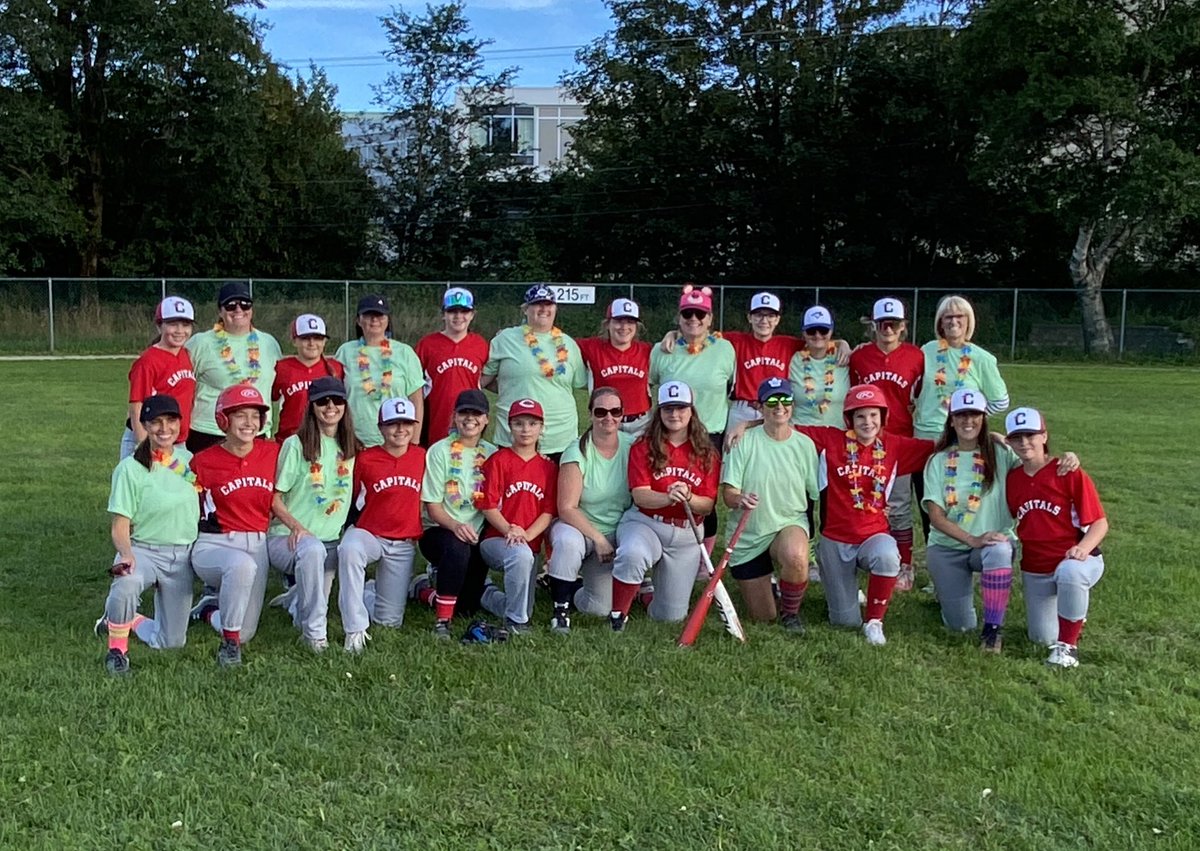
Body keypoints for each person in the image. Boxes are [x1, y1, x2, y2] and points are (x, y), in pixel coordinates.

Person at [924, 390, 1083, 653]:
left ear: (984, 418)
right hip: (947, 547)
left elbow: (1035, 462)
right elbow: (936, 516)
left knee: (999, 548)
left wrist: (1067, 457)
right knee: (960, 626)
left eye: (974, 415)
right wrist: (972, 539)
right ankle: (949, 600)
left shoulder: (1000, 453)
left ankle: (992, 631)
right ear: (951, 420)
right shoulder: (938, 460)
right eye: (960, 415)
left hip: (991, 543)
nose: (967, 421)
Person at [189, 385, 301, 667]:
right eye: (240, 415)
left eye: (255, 416)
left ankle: (208, 611)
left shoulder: (273, 453)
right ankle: (229, 646)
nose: (249, 423)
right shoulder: (202, 461)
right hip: (214, 543)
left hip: (257, 543)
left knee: (247, 631)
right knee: (241, 568)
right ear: (223, 420)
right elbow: (186, 508)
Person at [97, 396, 200, 675]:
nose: (164, 428)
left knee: (172, 643)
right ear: (143, 425)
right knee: (126, 583)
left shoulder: (190, 461)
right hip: (143, 551)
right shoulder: (130, 468)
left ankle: (127, 620)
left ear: (180, 423)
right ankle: (117, 651)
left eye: (171, 421)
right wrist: (127, 555)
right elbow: (120, 523)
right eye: (155, 422)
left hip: (182, 556)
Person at [609, 381, 721, 629]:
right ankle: (618, 615)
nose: (675, 414)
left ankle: (645, 594)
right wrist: (669, 497)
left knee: (670, 616)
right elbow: (641, 496)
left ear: (692, 411)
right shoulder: (643, 445)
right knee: (632, 554)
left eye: (681, 407)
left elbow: (707, 505)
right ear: (659, 412)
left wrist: (689, 497)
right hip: (647, 523)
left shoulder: (707, 453)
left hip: (686, 533)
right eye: (668, 408)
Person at [1005, 407, 1108, 668]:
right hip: (1035, 567)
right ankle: (1074, 616)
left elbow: (1099, 523)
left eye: (1031, 435)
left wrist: (1083, 548)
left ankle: (1068, 649)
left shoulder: (1066, 471)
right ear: (1009, 442)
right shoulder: (1013, 479)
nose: (1024, 442)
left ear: (1044, 436)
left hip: (1074, 557)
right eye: (1017, 437)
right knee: (1041, 637)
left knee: (1071, 573)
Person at [266, 377, 358, 653]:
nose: (331, 407)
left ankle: (296, 597)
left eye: (337, 400)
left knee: (317, 588)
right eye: (323, 401)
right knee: (313, 558)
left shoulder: (350, 447)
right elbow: (274, 497)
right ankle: (314, 634)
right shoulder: (296, 445)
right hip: (289, 539)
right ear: (312, 407)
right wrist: (297, 527)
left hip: (330, 540)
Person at [720, 378, 819, 633]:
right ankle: (772, 586)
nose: (779, 407)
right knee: (764, 616)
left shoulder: (805, 445)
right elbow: (728, 494)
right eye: (772, 401)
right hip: (749, 536)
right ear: (760, 406)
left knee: (797, 556)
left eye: (785, 400)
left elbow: (815, 493)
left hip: (788, 523)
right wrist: (739, 499)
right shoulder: (743, 441)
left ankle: (791, 614)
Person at [911, 295, 1010, 548]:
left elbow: (1001, 401)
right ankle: (938, 562)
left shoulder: (982, 359)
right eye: (948, 317)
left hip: (960, 442)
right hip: (924, 439)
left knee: (960, 501)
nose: (954, 322)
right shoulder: (927, 351)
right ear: (940, 323)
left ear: (969, 322)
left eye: (960, 317)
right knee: (930, 505)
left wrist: (973, 419)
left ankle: (969, 551)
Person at [649, 284, 734, 549]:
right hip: (670, 432)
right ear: (679, 318)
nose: (694, 320)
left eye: (700, 314)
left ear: (710, 319)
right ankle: (663, 544)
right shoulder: (662, 350)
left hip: (710, 435)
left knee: (704, 497)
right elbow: (650, 384)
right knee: (667, 488)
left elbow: (733, 385)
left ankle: (703, 557)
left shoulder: (725, 349)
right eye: (688, 315)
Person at [850, 297, 926, 588]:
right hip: (864, 439)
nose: (888, 329)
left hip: (900, 439)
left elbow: (922, 393)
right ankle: (866, 557)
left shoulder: (916, 356)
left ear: (903, 326)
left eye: (894, 323)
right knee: (863, 500)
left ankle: (905, 564)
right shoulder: (859, 357)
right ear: (874, 325)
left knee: (899, 504)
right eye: (883, 323)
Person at [544, 387, 635, 633]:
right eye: (601, 411)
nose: (609, 417)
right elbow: (566, 508)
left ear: (623, 414)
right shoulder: (577, 452)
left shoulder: (633, 447)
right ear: (590, 414)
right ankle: (560, 609)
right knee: (566, 542)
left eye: (615, 411)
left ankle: (572, 588)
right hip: (579, 527)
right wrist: (598, 539)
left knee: (598, 607)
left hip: (615, 531)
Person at [337, 397, 426, 647]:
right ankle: (354, 628)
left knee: (388, 622)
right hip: (370, 535)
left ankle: (368, 591)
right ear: (380, 428)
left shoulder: (422, 457)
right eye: (392, 424)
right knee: (350, 549)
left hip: (403, 543)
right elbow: (351, 498)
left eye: (406, 423)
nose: (400, 430)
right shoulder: (365, 459)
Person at [418, 389, 498, 638]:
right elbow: (432, 505)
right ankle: (442, 622)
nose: (470, 418)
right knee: (456, 547)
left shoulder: (493, 453)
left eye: (477, 414)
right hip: (439, 531)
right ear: (454, 416)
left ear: (486, 419)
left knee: (467, 608)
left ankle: (424, 591)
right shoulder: (439, 451)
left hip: (476, 534)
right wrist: (455, 526)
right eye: (464, 412)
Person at [477, 398, 558, 635]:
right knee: (519, 604)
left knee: (524, 604)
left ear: (541, 428)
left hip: (527, 542)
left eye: (532, 424)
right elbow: (488, 506)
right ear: (509, 426)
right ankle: (516, 623)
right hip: (496, 540)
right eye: (519, 423)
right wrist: (510, 531)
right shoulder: (498, 461)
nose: (526, 429)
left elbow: (548, 511)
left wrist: (526, 535)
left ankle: (486, 594)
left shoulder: (548, 468)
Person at [481, 284, 586, 461]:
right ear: (525, 309)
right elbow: (483, 380)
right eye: (537, 304)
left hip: (560, 438)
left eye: (549, 304)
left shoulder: (569, 344)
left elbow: (578, 384)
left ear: (555, 308)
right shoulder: (505, 339)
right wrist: (510, 387)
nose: (544, 309)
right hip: (514, 435)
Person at [185, 280, 282, 452]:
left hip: (255, 432)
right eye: (230, 305)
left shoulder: (269, 343)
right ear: (220, 311)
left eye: (245, 305)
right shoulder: (200, 343)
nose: (238, 310)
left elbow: (276, 389)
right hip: (209, 433)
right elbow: (181, 385)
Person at [335, 293, 424, 449]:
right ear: (358, 320)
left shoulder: (405, 352)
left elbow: (416, 400)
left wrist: (414, 442)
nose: (374, 320)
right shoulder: (345, 352)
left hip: (396, 443)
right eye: (368, 315)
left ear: (388, 320)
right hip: (354, 441)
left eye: (379, 315)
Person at [120, 296, 197, 459]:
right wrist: (144, 446)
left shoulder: (185, 355)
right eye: (172, 324)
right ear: (159, 326)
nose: (179, 330)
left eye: (185, 324)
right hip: (151, 438)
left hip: (177, 440)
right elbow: (136, 406)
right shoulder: (148, 361)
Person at [415, 287, 489, 446]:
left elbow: (488, 376)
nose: (458, 316)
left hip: (471, 419)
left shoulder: (480, 344)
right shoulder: (427, 344)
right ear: (443, 314)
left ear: (472, 314)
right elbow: (414, 384)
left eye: (464, 311)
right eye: (452, 311)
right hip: (437, 419)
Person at [721, 292, 803, 431]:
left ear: (778, 319)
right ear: (749, 318)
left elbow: (819, 343)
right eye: (758, 315)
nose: (764, 321)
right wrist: (673, 334)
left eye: (770, 315)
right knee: (733, 450)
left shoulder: (788, 344)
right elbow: (701, 336)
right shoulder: (735, 340)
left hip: (776, 408)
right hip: (743, 409)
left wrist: (840, 343)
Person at [271, 314, 345, 443]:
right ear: (294, 341)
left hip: (325, 438)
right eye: (305, 338)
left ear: (324, 341)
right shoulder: (282, 367)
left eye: (317, 338)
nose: (312, 343)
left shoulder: (336, 368)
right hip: (290, 438)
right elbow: (272, 397)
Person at [788, 305, 851, 428]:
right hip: (801, 433)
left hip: (836, 435)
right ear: (803, 333)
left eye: (823, 330)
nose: (817, 335)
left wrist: (842, 343)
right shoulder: (792, 359)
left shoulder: (844, 356)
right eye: (811, 331)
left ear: (831, 331)